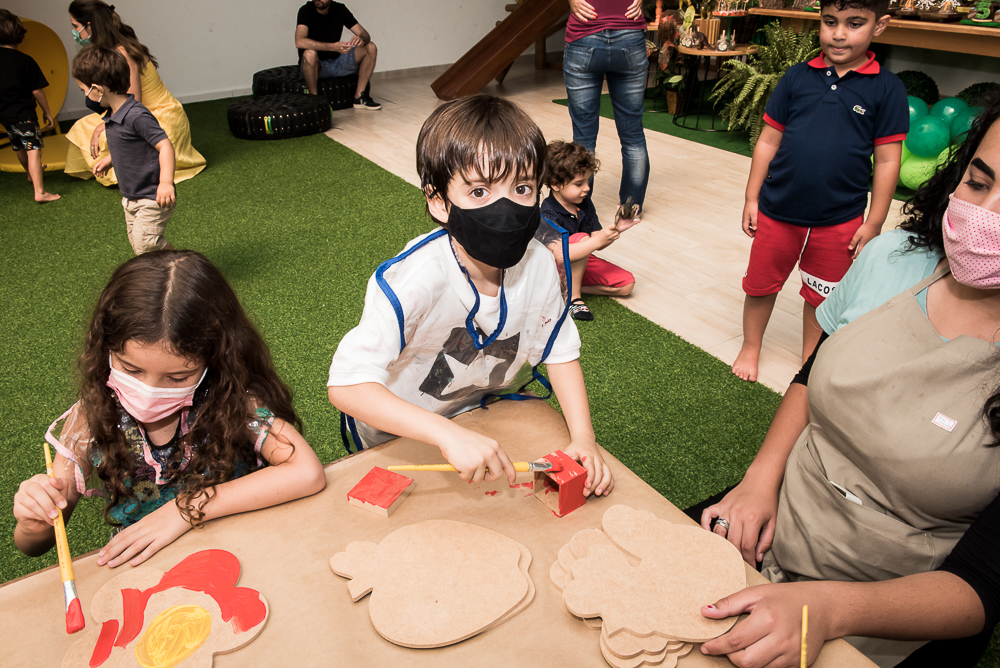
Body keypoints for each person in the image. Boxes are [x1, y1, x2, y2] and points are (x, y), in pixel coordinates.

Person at [697, 96, 1000, 668]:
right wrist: (760, 481)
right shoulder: (895, 257)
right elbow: (816, 372)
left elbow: (980, 586)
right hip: (779, 520)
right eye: (979, 183)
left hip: (888, 605)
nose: (985, 215)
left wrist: (828, 609)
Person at [328, 96, 614, 497]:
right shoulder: (413, 279)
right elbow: (347, 386)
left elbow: (560, 351)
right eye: (479, 191)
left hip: (482, 412)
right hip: (402, 430)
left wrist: (584, 437)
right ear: (438, 201)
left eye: (522, 187)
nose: (506, 208)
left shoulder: (537, 266)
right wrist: (443, 433)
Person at [13, 250, 326, 568]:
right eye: (130, 369)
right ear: (106, 348)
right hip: (150, 573)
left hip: (243, 553)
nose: (149, 392)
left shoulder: (232, 400)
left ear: (215, 362)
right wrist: (34, 522)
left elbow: (306, 472)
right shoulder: (89, 419)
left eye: (177, 377)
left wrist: (187, 508)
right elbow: (36, 544)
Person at [731, 0, 908, 383]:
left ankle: (810, 362)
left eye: (854, 23)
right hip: (778, 210)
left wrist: (875, 220)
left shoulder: (888, 88)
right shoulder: (796, 77)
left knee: (822, 296)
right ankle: (750, 345)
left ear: (880, 26)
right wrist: (751, 197)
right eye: (830, 22)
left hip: (840, 219)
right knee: (761, 285)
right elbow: (768, 140)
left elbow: (889, 161)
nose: (839, 33)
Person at [65, 0, 205, 186]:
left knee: (109, 133)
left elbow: (133, 103)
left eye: (76, 26)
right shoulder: (111, 48)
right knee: (82, 126)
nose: (74, 32)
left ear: (89, 25)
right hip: (133, 109)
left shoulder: (121, 51)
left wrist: (103, 126)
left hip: (157, 114)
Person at [73, 45, 176, 255]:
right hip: (130, 196)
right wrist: (110, 159)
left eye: (85, 91)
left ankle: (179, 265)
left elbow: (164, 145)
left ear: (99, 90)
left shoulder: (136, 115)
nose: (85, 96)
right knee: (141, 246)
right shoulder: (113, 115)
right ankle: (166, 272)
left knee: (146, 245)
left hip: (151, 194)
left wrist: (165, 183)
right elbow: (129, 144)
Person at [538, 140, 638, 321]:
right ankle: (573, 299)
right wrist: (593, 242)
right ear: (555, 183)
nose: (587, 188)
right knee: (581, 239)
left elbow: (597, 243)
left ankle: (564, 288)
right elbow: (559, 255)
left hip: (580, 258)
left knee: (627, 285)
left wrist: (616, 229)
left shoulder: (584, 203)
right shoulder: (547, 212)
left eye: (587, 181)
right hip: (552, 268)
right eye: (579, 184)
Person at [563, 0, 649, 211]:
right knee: (633, 134)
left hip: (584, 35)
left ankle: (580, 209)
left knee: (583, 137)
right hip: (629, 33)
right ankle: (632, 206)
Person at [0, 10, 59, 203]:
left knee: (19, 147)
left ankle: (30, 175)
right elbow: (37, 91)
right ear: (19, 33)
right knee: (34, 150)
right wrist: (47, 112)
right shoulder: (24, 60)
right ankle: (40, 192)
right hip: (24, 114)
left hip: (5, 115)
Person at [295, 0, 380, 110]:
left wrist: (361, 39)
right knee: (309, 54)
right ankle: (315, 101)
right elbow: (300, 41)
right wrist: (332, 47)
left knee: (370, 47)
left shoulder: (340, 9)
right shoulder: (305, 10)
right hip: (316, 66)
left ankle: (360, 97)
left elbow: (364, 34)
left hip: (336, 62)